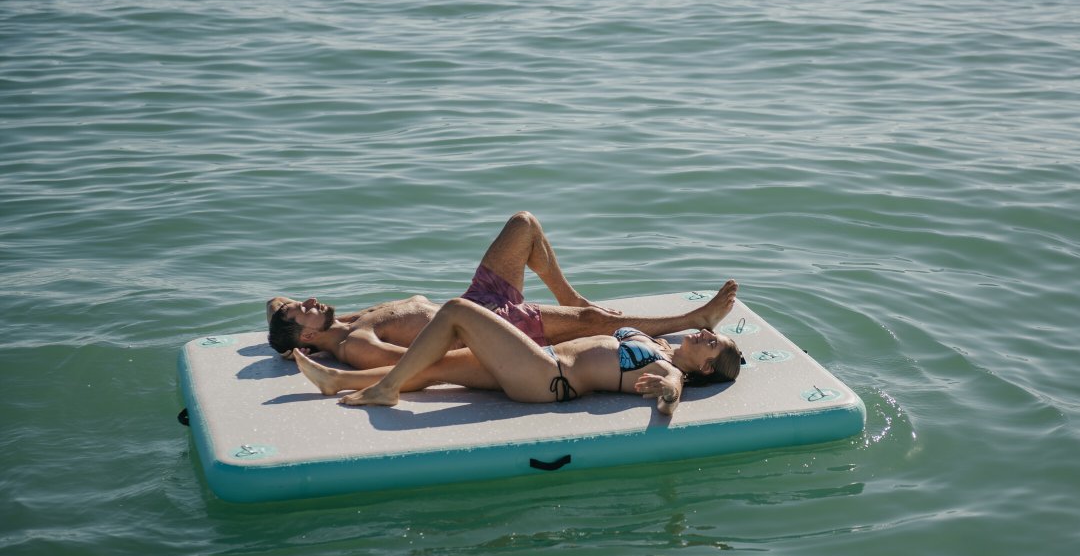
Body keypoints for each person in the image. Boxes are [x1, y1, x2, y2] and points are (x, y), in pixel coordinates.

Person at [266, 211, 738, 376]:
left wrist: (283, 322)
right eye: (300, 312)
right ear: (306, 342)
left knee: (524, 225)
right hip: (489, 326)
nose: (306, 301)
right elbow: (420, 366)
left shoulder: (345, 318)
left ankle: (572, 298)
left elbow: (273, 303)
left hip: (477, 296)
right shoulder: (355, 344)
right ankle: (694, 320)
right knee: (594, 324)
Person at [293, 294, 743, 416]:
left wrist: (668, 391)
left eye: (712, 343)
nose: (705, 336)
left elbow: (671, 393)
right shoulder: (663, 347)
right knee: (438, 369)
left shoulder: (668, 368)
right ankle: (337, 382)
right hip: (539, 363)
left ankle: (386, 389)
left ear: (704, 366)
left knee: (456, 312)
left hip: (547, 377)